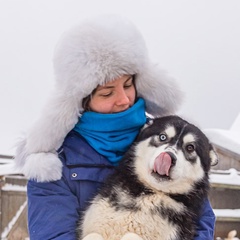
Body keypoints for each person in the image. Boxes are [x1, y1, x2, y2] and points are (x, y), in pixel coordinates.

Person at [15, 15, 215, 239]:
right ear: (81, 100)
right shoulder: (56, 163)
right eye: (107, 92)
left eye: (128, 85)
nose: (124, 99)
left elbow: (201, 220)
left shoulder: (159, 138)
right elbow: (52, 235)